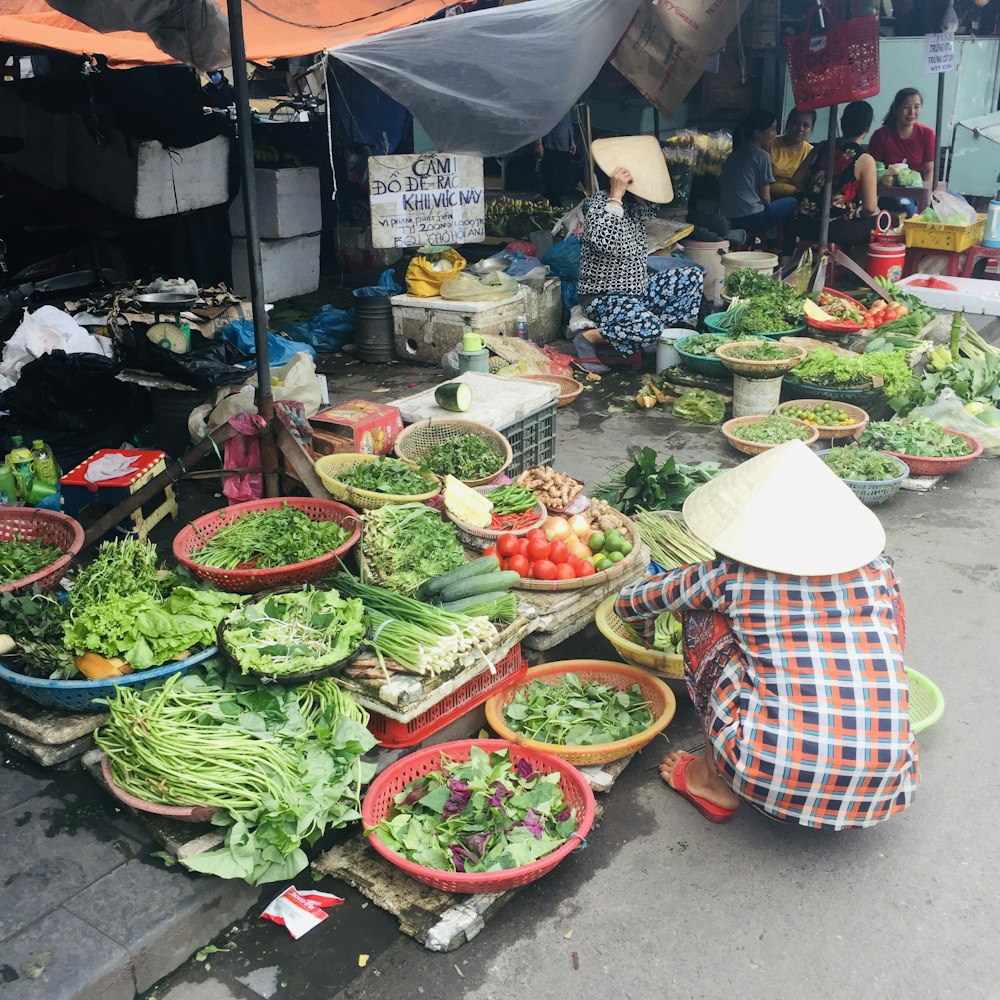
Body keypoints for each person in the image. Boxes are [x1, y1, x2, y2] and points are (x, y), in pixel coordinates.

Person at [615, 441, 918, 829]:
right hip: (887, 782)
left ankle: (711, 782)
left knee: (699, 617)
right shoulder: (879, 573)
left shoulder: (731, 578)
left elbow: (632, 602)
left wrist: (643, 632)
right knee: (890, 612)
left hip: (770, 774)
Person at [572, 135, 704, 373]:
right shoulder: (598, 205)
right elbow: (603, 241)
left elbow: (652, 207)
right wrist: (617, 195)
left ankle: (661, 340)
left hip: (635, 292)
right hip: (603, 297)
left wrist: (640, 192)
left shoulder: (635, 207)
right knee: (651, 328)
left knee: (691, 277)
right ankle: (588, 338)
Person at [794, 100, 879, 248]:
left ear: (842, 121)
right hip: (837, 229)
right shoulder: (864, 159)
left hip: (804, 224)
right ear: (867, 128)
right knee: (888, 219)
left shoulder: (821, 146)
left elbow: (796, 179)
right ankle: (855, 268)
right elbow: (870, 207)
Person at [718, 109, 798, 235]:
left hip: (728, 218)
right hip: (751, 218)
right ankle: (785, 248)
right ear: (758, 133)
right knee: (792, 201)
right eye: (772, 129)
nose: (775, 133)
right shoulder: (762, 156)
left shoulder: (731, 157)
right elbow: (766, 198)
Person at [868, 88, 936, 184]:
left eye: (916, 107)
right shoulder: (880, 136)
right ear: (896, 109)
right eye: (906, 107)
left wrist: (925, 195)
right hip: (888, 190)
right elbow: (873, 171)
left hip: (917, 190)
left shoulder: (927, 134)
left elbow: (929, 171)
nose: (912, 112)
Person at [769, 108, 816, 198]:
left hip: (796, 200)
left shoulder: (811, 152)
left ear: (811, 129)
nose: (800, 129)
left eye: (806, 126)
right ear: (788, 123)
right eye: (796, 123)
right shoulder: (770, 144)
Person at [535, 109, 578, 207]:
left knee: (566, 177)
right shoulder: (550, 102)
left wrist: (572, 140)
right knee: (551, 177)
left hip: (565, 142)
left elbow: (568, 121)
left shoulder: (567, 100)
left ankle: (545, 195)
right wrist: (539, 142)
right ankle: (557, 207)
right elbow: (541, 121)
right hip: (550, 142)